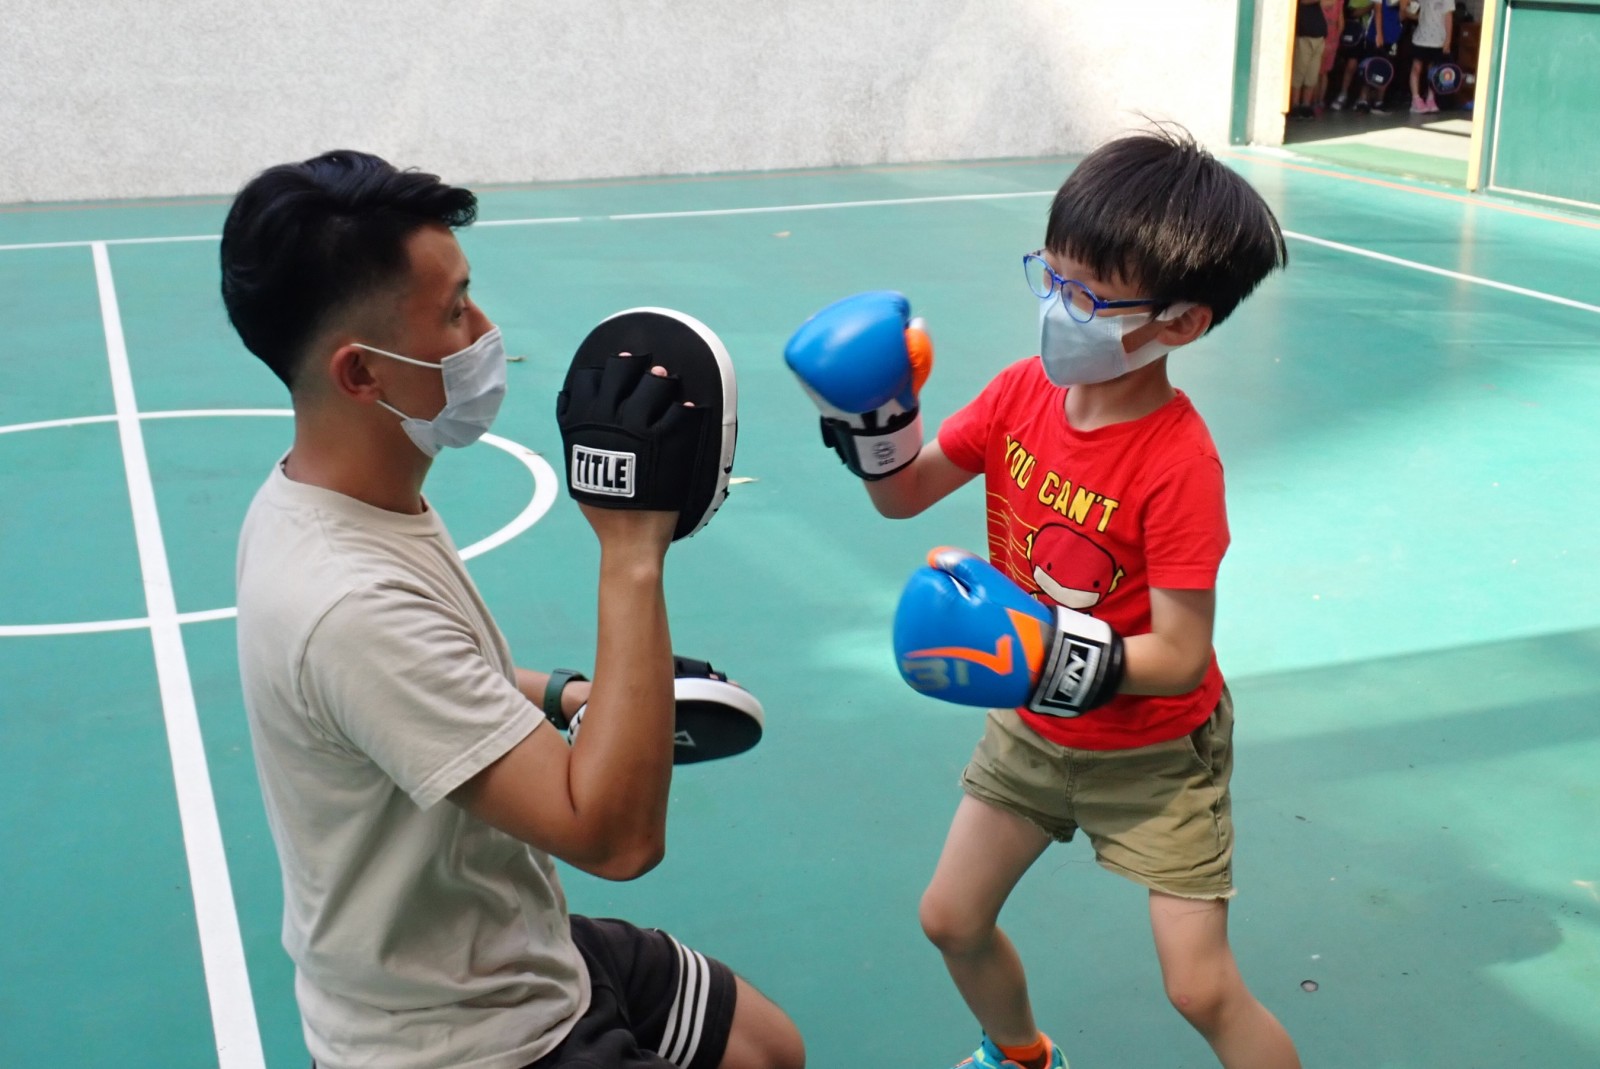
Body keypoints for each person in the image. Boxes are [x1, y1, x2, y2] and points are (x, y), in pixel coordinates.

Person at [221, 149, 804, 1069]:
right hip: (461, 1036)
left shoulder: (330, 495)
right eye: (455, 311)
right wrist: (631, 550)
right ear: (362, 372)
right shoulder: (346, 601)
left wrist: (572, 697)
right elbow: (616, 838)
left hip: (502, 938)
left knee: (767, 1049)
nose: (488, 332)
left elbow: (438, 680)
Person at [785, 128, 1301, 1069]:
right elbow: (904, 494)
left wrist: (1039, 646)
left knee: (1199, 985)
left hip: (1152, 752)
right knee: (951, 917)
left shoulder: (1178, 463)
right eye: (1052, 278)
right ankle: (1022, 1057)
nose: (1060, 309)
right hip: (1033, 730)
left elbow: (1181, 655)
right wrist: (875, 420)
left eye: (1089, 297)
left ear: (1182, 323)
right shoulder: (1021, 394)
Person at [1408, 0, 1455, 112]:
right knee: (1416, 68)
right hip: (1420, 38)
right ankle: (1415, 99)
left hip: (1438, 39)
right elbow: (1410, 8)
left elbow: (1448, 17)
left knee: (1433, 71)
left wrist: (1448, 40)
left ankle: (1431, 98)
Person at [1290, 0, 1330, 119]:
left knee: (1312, 74)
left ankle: (1306, 105)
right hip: (1304, 36)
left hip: (1319, 36)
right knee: (1299, 72)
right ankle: (1295, 105)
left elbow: (1330, 3)